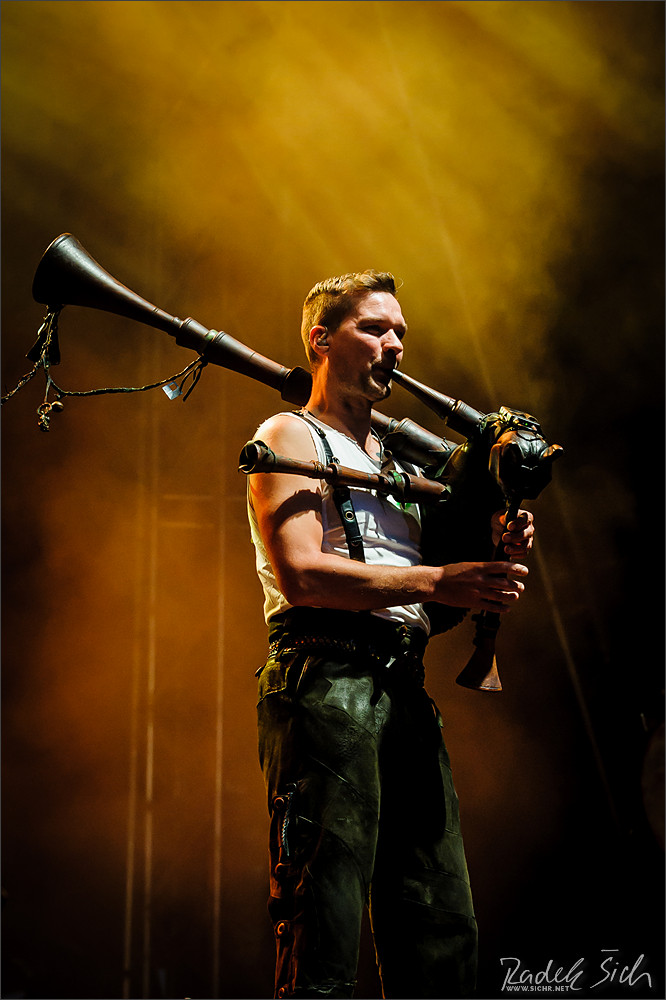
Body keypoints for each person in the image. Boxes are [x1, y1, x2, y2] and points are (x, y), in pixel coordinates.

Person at [247, 270, 534, 999]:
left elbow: (424, 606)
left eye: (400, 331)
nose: (395, 343)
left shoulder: (401, 462)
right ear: (322, 340)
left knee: (440, 924)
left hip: (402, 686)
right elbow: (303, 574)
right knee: (324, 915)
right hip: (323, 680)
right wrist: (438, 580)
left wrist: (487, 560)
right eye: (374, 327)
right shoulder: (288, 434)